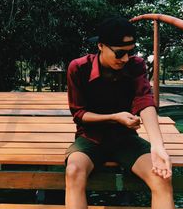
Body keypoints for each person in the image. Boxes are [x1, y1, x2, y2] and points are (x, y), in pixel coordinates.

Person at [65, 17, 175, 209]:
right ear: (100, 45)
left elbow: (144, 100)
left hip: (126, 139)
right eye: (119, 53)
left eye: (130, 52)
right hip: (90, 138)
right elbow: (79, 114)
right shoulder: (79, 68)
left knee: (162, 177)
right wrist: (114, 117)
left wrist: (157, 146)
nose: (125, 59)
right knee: (73, 171)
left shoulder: (136, 65)